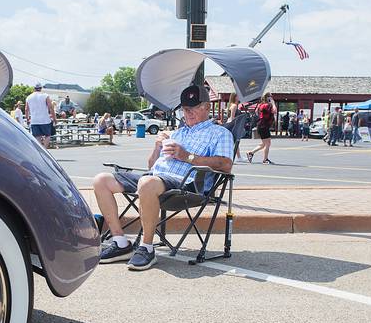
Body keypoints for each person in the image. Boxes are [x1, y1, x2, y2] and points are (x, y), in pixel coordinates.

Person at [92, 85, 233, 271]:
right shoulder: (177, 132)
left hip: (187, 183)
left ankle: (147, 248)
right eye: (184, 108)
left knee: (147, 183)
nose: (187, 112)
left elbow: (225, 165)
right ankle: (120, 242)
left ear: (207, 107)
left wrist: (187, 156)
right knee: (101, 180)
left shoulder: (220, 133)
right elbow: (152, 166)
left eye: (193, 107)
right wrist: (157, 146)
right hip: (155, 178)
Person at [247, 92, 276, 164]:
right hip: (263, 126)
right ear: (267, 98)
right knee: (267, 143)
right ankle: (265, 159)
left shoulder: (262, 105)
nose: (271, 98)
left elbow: (257, 112)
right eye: (270, 97)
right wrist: (273, 103)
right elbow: (274, 111)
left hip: (263, 125)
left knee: (264, 143)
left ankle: (251, 153)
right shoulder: (267, 105)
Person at [25, 83, 55, 149]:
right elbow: (51, 107)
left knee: (37, 136)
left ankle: (40, 151)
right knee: (48, 135)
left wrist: (27, 119)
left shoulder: (28, 97)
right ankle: (44, 149)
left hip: (34, 121)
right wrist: (54, 118)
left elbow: (26, 109)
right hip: (45, 120)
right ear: (41, 88)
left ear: (34, 88)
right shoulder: (45, 95)